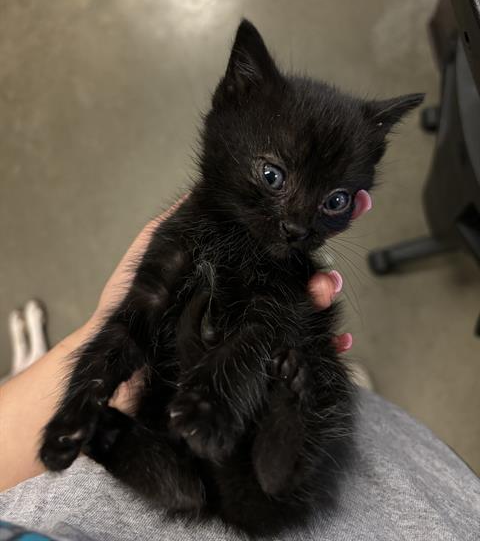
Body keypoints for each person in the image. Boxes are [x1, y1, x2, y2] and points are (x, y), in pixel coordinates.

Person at [0, 197, 479, 540]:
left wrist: (86, 403)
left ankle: (127, 435)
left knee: (231, 466)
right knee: (275, 472)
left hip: (144, 472)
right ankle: (291, 412)